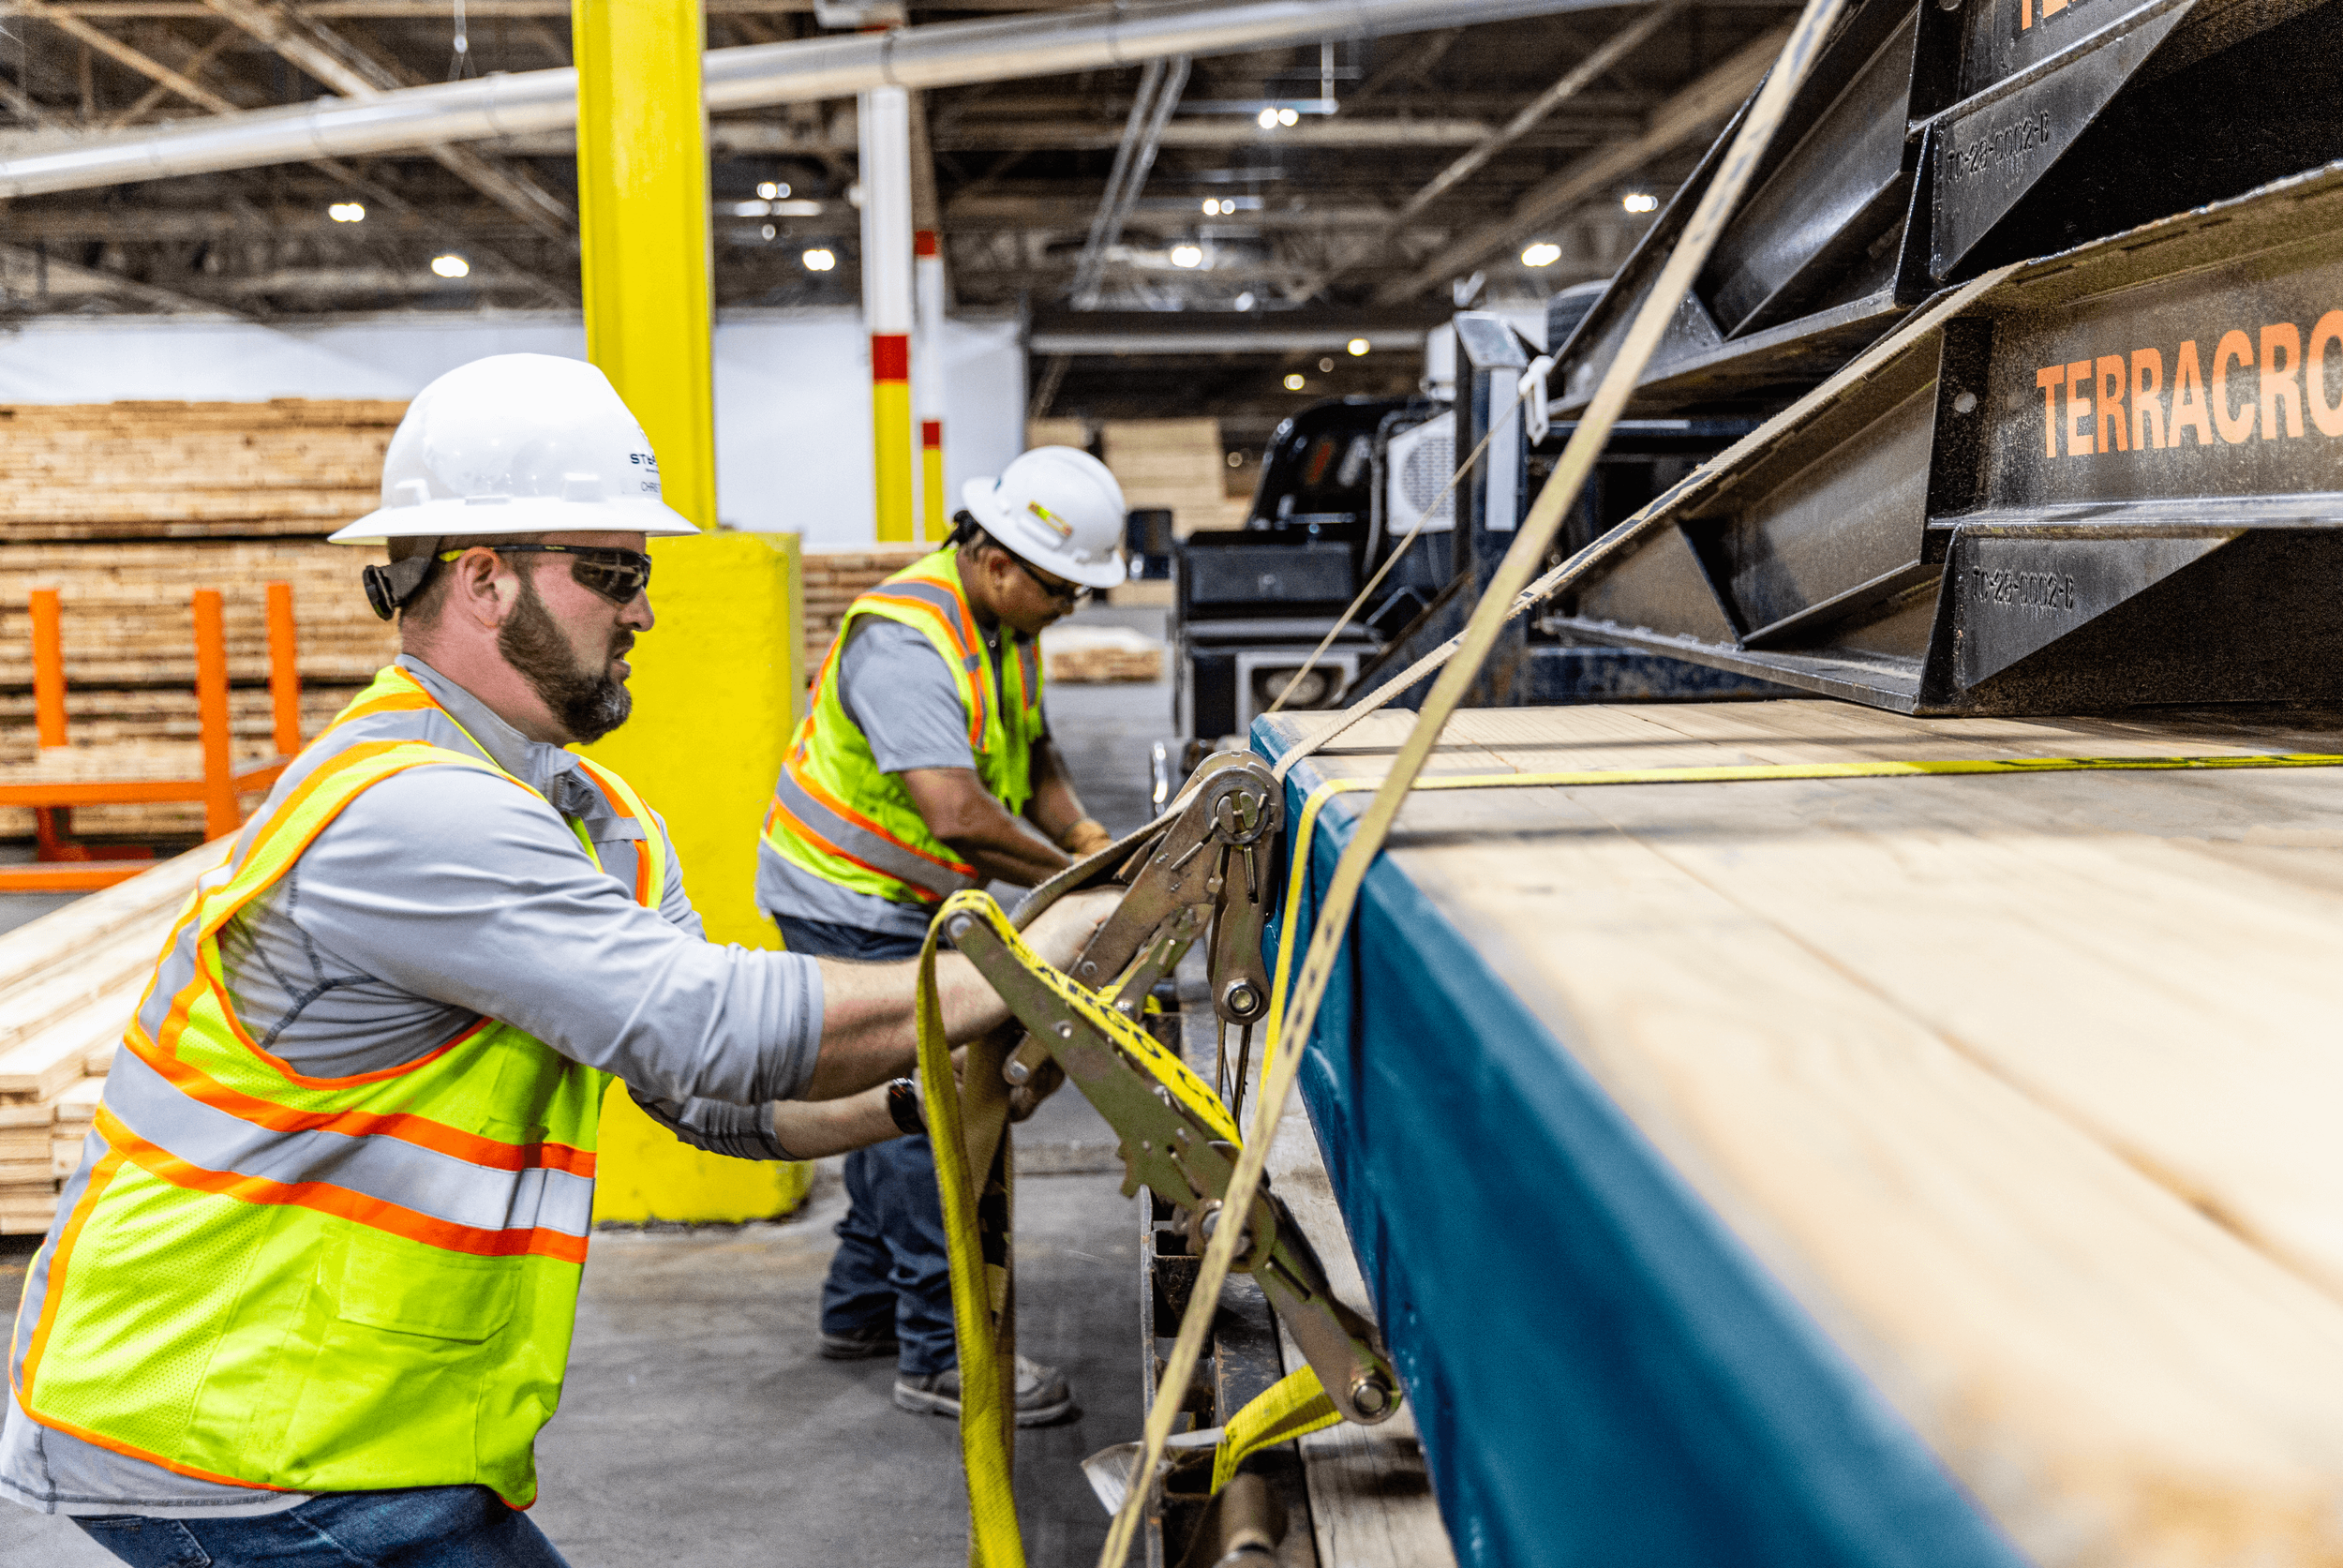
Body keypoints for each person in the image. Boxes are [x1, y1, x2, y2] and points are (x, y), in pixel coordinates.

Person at [0, 355, 1112, 1568]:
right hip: (218, 1445)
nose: (642, 610)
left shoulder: (593, 816)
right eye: (611, 573)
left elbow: (703, 1097)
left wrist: (918, 1101)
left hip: (364, 1435)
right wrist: (1019, 962)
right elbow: (705, 1025)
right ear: (482, 580)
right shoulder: (409, 810)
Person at [759, 446, 1127, 1426]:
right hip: (845, 895)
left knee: (893, 1110)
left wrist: (1089, 836)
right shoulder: (908, 641)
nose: (1071, 609)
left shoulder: (1003, 625)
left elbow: (1030, 743)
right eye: (1064, 589)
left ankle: (860, 1306)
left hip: (907, 894)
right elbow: (958, 811)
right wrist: (1078, 886)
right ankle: (938, 1351)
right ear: (999, 559)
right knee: (917, 1118)